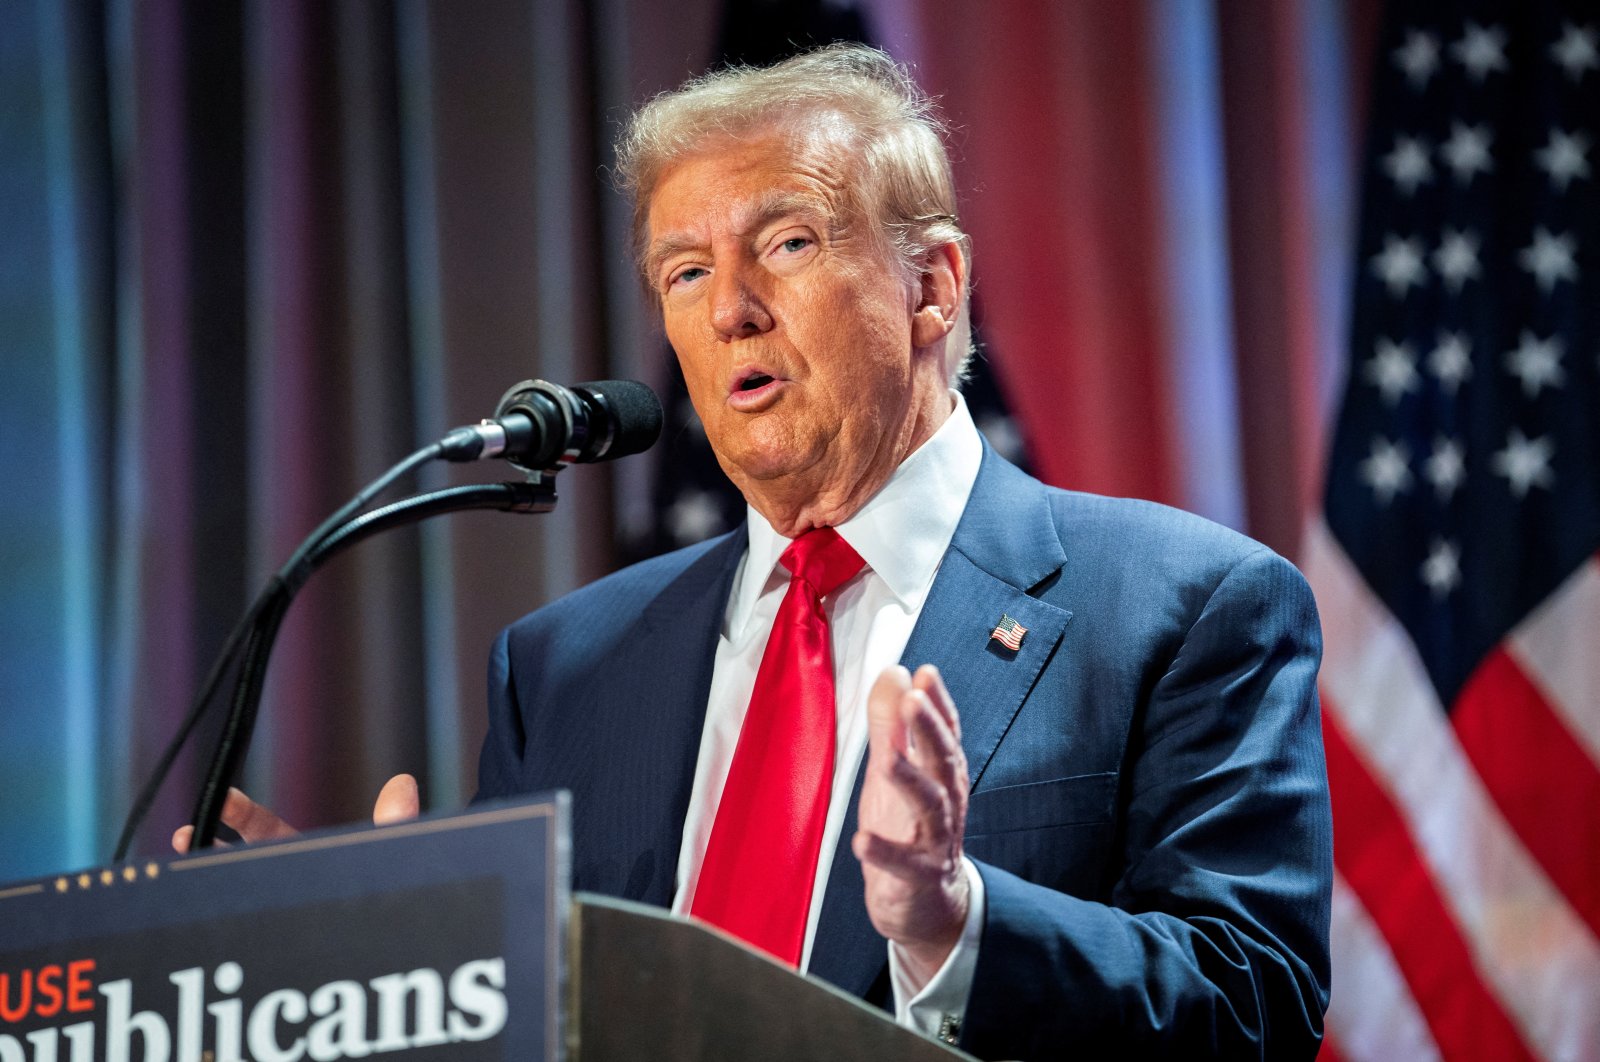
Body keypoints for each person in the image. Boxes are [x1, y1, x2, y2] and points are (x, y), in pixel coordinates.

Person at [182, 44, 1332, 1060]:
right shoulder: (563, 666)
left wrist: (952, 922)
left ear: (931, 287)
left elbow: (1255, 1003)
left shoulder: (1183, 607)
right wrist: (401, 964)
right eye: (684, 272)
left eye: (785, 241)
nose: (730, 308)